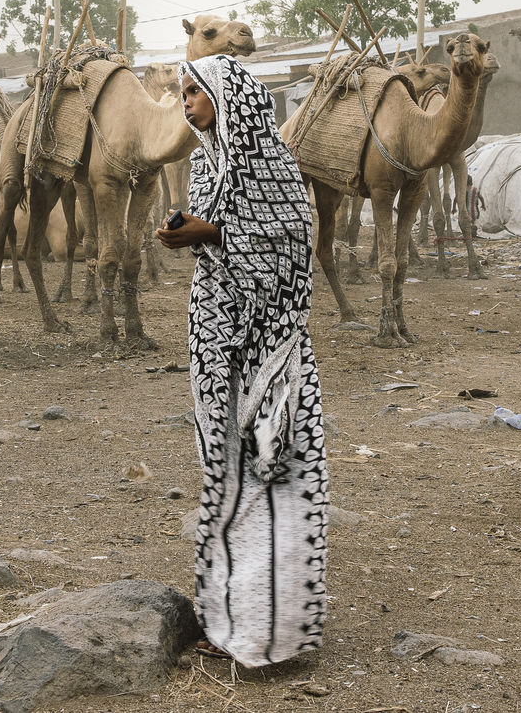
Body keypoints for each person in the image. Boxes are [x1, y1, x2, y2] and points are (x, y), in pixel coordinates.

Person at [154, 54, 328, 667]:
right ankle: (228, 621)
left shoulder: (269, 164)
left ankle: (266, 632)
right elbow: (219, 237)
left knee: (270, 477)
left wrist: (211, 235)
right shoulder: (206, 162)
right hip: (217, 340)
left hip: (267, 348)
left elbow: (291, 243)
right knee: (224, 479)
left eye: (195, 92)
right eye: (182, 93)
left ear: (232, 99)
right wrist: (189, 231)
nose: (186, 102)